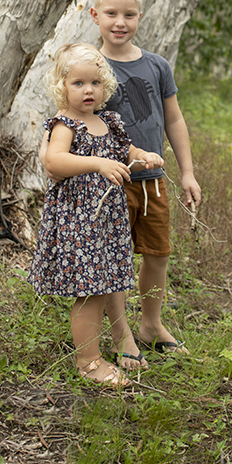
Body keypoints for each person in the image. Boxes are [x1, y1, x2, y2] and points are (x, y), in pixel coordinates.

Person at [28, 42, 163, 389]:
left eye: (95, 83)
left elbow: (124, 150)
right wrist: (96, 163)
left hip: (104, 223)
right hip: (78, 222)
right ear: (62, 86)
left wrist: (142, 154)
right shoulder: (65, 124)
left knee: (102, 287)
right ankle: (88, 361)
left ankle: (97, 353)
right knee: (89, 292)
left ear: (105, 86)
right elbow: (53, 161)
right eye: (78, 83)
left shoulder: (109, 120)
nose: (88, 90)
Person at [90, 0, 202, 367]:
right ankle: (122, 333)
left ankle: (151, 325)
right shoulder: (92, 69)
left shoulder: (157, 66)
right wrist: (127, 153)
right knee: (116, 257)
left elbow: (174, 119)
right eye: (111, 14)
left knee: (157, 254)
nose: (120, 23)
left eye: (129, 15)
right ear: (94, 16)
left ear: (140, 16)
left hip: (154, 181)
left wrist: (186, 172)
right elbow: (89, 125)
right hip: (112, 183)